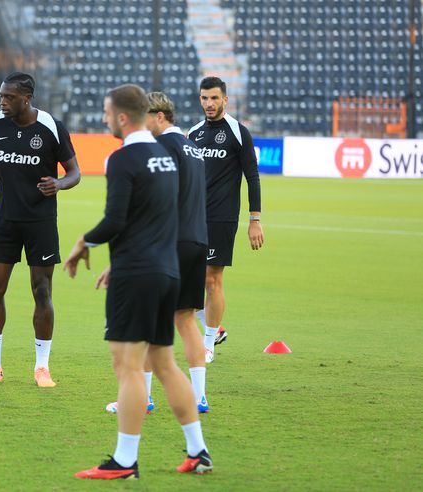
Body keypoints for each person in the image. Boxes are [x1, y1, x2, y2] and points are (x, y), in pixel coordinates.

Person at [66, 84, 212, 480]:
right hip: (167, 271)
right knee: (164, 363)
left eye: (106, 112)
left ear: (123, 117)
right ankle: (198, 450)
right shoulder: (165, 156)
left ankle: (124, 460)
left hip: (139, 274)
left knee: (128, 367)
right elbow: (160, 217)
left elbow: (115, 220)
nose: (103, 119)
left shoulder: (124, 158)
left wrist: (83, 242)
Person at [0, 72, 81, 387]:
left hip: (40, 222)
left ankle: (42, 367)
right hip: (3, 220)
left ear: (26, 98)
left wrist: (60, 184)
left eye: (9, 97)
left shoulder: (51, 127)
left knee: (42, 290)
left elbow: (75, 172)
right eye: (1, 95)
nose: (2, 101)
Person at [103, 91, 210, 415]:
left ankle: (142, 396)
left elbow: (158, 203)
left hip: (169, 243)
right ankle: (199, 396)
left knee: (148, 322)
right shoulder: (193, 147)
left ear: (159, 116)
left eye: (146, 118)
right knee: (186, 319)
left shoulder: (161, 147)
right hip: (198, 240)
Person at [188, 76, 264, 363]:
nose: (209, 103)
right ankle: (215, 328)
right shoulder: (193, 133)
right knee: (180, 279)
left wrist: (254, 219)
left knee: (211, 279)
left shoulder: (238, 132)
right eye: (205, 98)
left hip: (221, 217)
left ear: (225, 100)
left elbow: (252, 177)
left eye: (214, 98)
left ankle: (207, 344)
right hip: (191, 217)